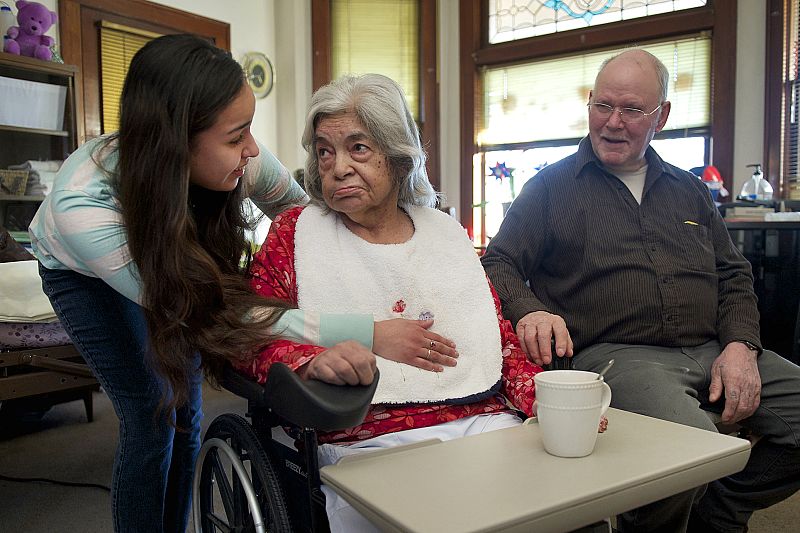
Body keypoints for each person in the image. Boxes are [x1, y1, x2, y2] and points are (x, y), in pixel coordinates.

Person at [28, 35, 455, 533]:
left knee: (187, 411)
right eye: (236, 137)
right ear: (178, 143)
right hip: (85, 278)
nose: (252, 148)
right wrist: (369, 332)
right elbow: (214, 312)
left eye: (249, 129)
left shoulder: (241, 161)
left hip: (175, 265)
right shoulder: (83, 208)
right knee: (151, 410)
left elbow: (305, 222)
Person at [482, 48, 800, 532]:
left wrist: (741, 345)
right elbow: (499, 261)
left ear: (661, 116)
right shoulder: (550, 188)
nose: (612, 122)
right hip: (618, 355)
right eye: (602, 105)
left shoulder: (689, 190)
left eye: (631, 109)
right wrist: (530, 309)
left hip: (713, 346)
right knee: (689, 448)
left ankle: (720, 512)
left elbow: (733, 274)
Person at [239, 73, 549, 533]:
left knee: (550, 501)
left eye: (358, 148)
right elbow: (251, 334)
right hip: (363, 441)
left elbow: (495, 338)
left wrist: (544, 399)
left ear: (398, 157)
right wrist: (309, 362)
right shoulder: (295, 235)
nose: (338, 167)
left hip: (482, 423)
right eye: (325, 152)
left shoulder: (445, 234)